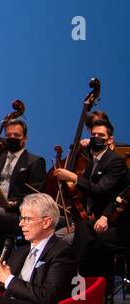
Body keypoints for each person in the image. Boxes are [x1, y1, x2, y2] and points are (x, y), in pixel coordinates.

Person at [51, 114, 129, 277]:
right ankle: (78, 281)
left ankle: (87, 283)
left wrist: (73, 177)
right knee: (77, 232)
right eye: (93, 135)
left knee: (90, 241)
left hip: (116, 220)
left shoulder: (115, 161)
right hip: (94, 218)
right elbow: (84, 194)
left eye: (101, 136)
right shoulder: (93, 160)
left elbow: (101, 189)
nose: (96, 138)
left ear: (109, 140)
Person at [0, 118, 46, 261]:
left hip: (17, 213)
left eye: (16, 136)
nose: (12, 138)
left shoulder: (35, 162)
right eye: (9, 135)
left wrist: (9, 203)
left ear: (25, 138)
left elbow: (35, 196)